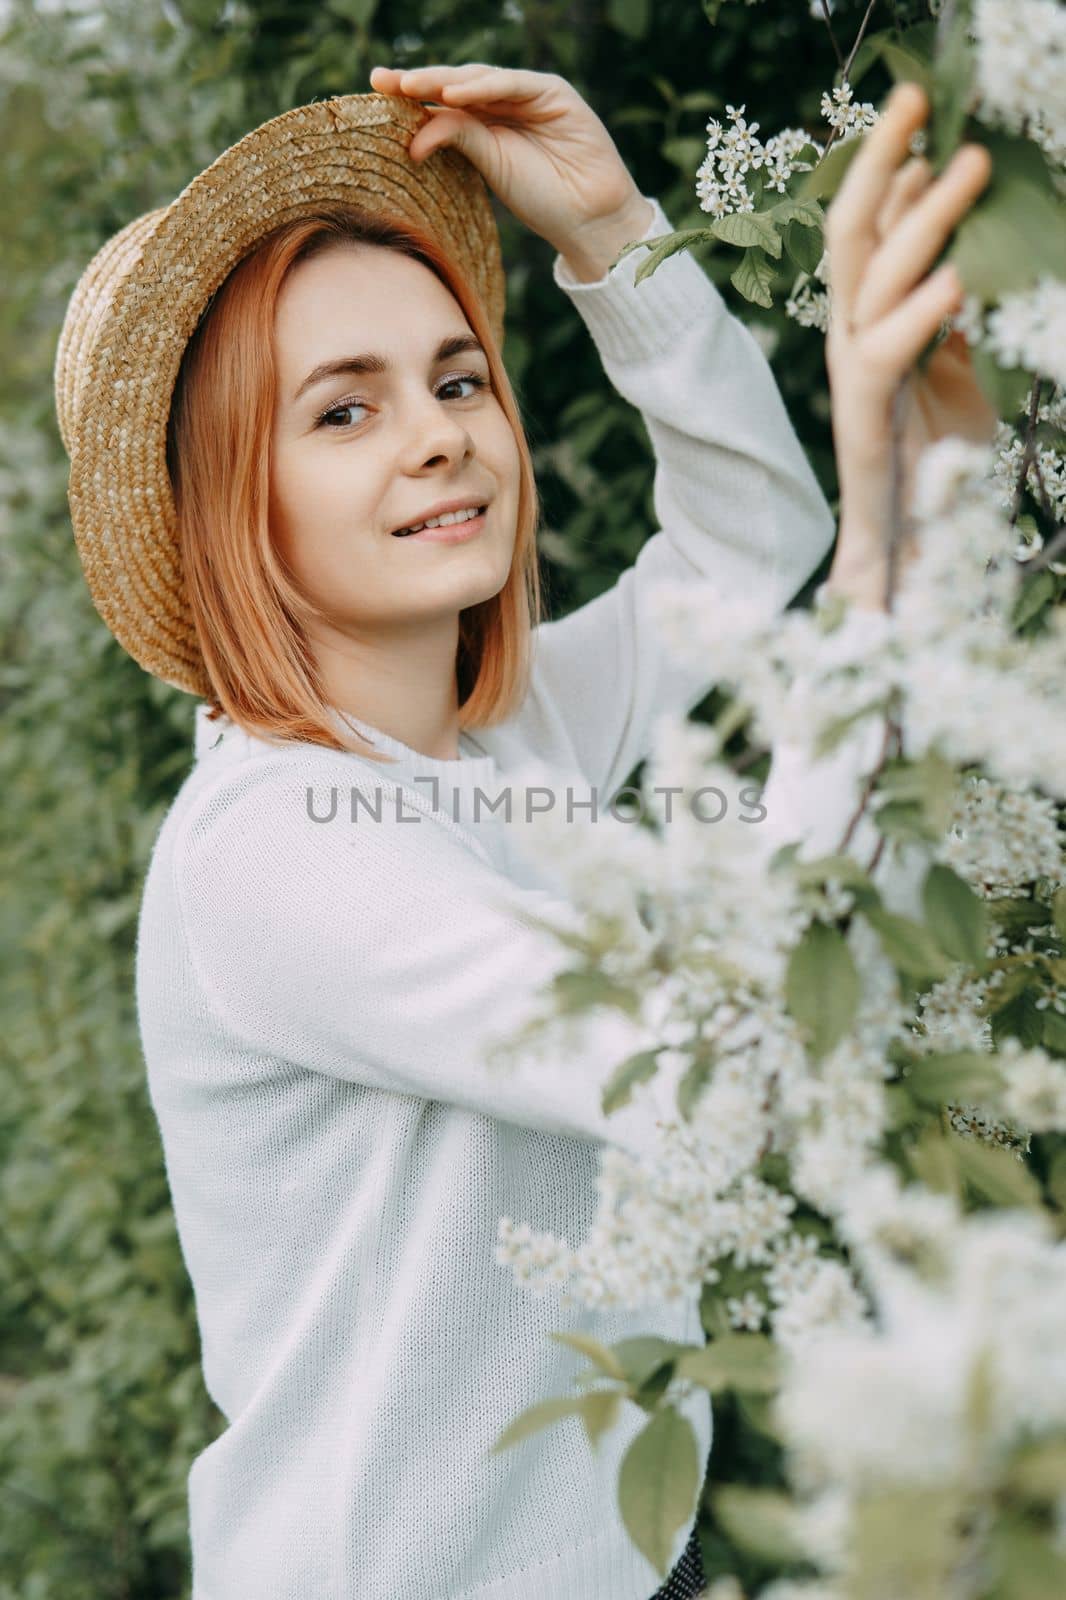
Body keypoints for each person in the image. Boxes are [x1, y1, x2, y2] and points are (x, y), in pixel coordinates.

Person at [53, 64, 995, 1600]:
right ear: (228, 502)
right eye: (342, 409)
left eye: (456, 378)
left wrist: (617, 236)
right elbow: (706, 1082)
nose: (433, 435)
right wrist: (890, 539)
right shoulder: (280, 853)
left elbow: (747, 547)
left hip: (622, 1555)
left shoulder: (496, 731)